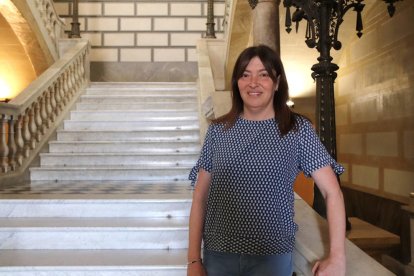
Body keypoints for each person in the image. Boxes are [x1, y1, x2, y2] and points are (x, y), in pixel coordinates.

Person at [187, 45, 346, 276]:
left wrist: (338, 257)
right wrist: (193, 260)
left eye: (263, 75)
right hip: (218, 256)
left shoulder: (297, 129)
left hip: (272, 259)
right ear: (236, 82)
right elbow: (200, 197)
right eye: (245, 75)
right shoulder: (218, 131)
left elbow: (332, 192)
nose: (253, 82)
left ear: (277, 82)